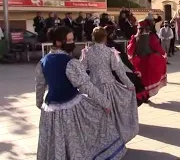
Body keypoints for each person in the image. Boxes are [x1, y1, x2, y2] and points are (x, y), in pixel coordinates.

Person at [36, 26, 127, 159]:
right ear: (58, 42)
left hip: (51, 110)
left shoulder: (43, 62)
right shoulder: (70, 63)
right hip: (70, 108)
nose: (73, 43)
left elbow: (40, 86)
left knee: (58, 140)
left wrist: (39, 103)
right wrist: (105, 103)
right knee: (77, 137)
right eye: (69, 40)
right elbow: (86, 86)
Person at [80, 27, 138, 143]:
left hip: (93, 88)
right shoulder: (110, 52)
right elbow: (120, 71)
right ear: (105, 37)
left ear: (93, 37)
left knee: (96, 115)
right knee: (112, 115)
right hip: (109, 86)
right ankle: (113, 140)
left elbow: (81, 69)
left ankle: (98, 141)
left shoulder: (87, 52)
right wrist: (130, 85)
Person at [105, 26, 149, 106]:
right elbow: (125, 60)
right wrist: (134, 70)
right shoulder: (115, 46)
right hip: (114, 76)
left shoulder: (90, 49)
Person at [127, 19, 167, 98]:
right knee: (149, 78)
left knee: (142, 79)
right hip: (149, 61)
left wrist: (131, 58)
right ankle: (147, 95)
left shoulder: (134, 38)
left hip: (138, 62)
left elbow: (130, 50)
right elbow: (157, 47)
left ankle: (143, 95)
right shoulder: (151, 37)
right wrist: (164, 55)